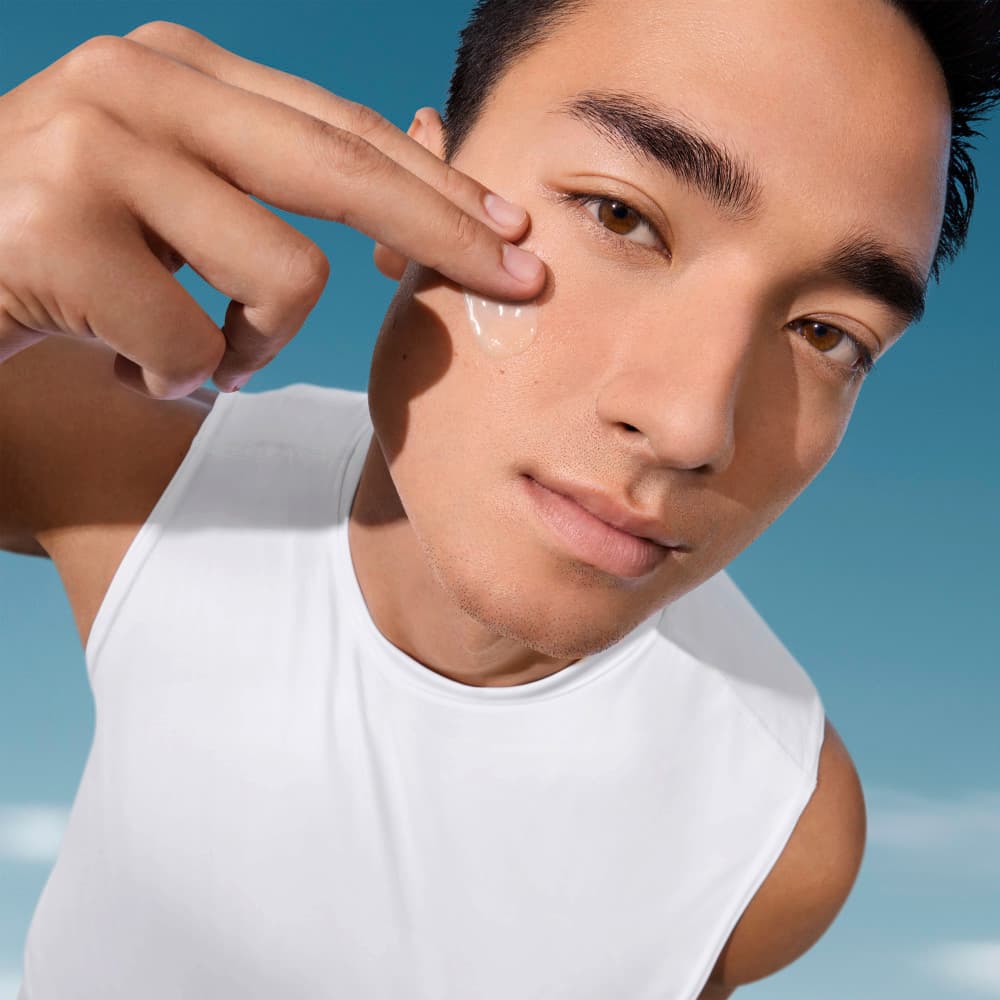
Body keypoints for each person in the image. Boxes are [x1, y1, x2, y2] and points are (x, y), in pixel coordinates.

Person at [1, 1, 997, 996]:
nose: (694, 426)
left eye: (829, 334)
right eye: (621, 215)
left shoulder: (778, 830)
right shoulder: (133, 466)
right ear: (410, 177)